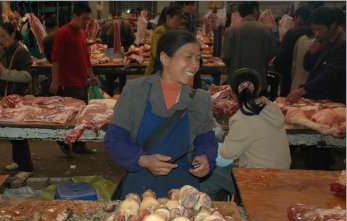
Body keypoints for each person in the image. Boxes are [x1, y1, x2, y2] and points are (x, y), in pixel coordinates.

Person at [104, 30, 217, 199]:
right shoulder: (136, 91)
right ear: (165, 59)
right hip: (139, 189)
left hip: (184, 192)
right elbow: (115, 139)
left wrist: (205, 157)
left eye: (198, 58)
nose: (195, 65)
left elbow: (206, 140)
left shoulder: (200, 99)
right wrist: (143, 160)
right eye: (188, 57)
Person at [201, 68, 291, 199]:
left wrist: (207, 146)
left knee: (208, 166)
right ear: (259, 89)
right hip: (282, 176)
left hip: (260, 183)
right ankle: (214, 203)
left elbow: (226, 155)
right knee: (212, 181)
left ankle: (205, 208)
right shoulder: (272, 108)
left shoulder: (243, 118)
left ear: (232, 92)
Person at [0, 22, 34, 180]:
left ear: (13, 34)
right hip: (4, 96)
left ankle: (27, 166)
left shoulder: (22, 52)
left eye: (4, 36)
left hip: (18, 97)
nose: (1, 39)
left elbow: (27, 76)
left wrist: (3, 72)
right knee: (12, 132)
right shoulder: (0, 51)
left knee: (19, 132)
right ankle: (18, 161)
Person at [50, 3, 98, 157]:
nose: (86, 23)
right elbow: (55, 59)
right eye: (84, 19)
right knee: (70, 117)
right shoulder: (62, 33)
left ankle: (79, 145)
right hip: (68, 82)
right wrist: (55, 81)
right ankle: (63, 142)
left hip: (82, 81)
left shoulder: (81, 32)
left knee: (81, 117)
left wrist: (92, 75)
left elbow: (86, 56)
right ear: (75, 16)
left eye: (88, 19)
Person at [287, 6, 346, 104]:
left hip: (334, 100)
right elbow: (307, 66)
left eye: (320, 29)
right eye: (314, 30)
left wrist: (304, 89)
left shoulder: (343, 44)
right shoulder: (323, 39)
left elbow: (331, 73)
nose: (317, 34)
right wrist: (311, 53)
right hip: (318, 99)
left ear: (332, 25)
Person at [222, 2, 277, 93]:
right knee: (257, 105)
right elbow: (272, 54)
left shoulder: (230, 30)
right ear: (255, 10)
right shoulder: (266, 30)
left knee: (235, 106)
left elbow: (226, 57)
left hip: (236, 80)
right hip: (259, 80)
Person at [274, 6, 312, 97]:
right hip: (313, 83)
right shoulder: (317, 33)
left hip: (291, 81)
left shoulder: (293, 33)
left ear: (298, 18)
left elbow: (281, 59)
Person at [99, 13, 135, 96]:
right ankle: (122, 94)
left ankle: (110, 95)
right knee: (122, 74)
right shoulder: (126, 24)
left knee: (109, 75)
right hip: (123, 52)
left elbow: (102, 38)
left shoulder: (107, 24)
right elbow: (132, 38)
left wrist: (109, 44)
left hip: (110, 52)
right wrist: (125, 46)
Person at [144, 4, 183, 76]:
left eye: (180, 21)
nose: (179, 23)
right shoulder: (161, 30)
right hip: (157, 71)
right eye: (178, 20)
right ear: (168, 17)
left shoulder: (172, 31)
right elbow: (156, 53)